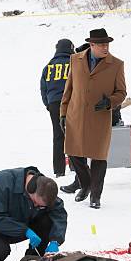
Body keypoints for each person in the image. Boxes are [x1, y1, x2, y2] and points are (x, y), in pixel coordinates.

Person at [60, 28, 127, 209]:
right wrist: (63, 113)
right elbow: (69, 88)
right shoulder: (75, 59)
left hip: (100, 117)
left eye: (107, 44)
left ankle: (95, 196)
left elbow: (122, 92)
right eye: (102, 44)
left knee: (98, 157)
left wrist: (109, 102)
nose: (106, 48)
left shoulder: (116, 64)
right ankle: (86, 183)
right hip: (76, 115)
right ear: (92, 45)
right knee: (73, 153)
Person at [60, 105, 131, 192]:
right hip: (92, 118)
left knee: (127, 150)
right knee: (87, 149)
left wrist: (109, 107)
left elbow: (119, 94)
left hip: (109, 117)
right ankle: (80, 181)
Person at [41, 39, 75, 177]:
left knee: (58, 136)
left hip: (54, 103)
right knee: (74, 134)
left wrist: (48, 104)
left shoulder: (48, 66)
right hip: (71, 102)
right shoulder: (73, 64)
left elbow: (43, 88)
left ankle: (59, 170)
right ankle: (75, 165)